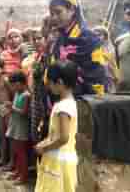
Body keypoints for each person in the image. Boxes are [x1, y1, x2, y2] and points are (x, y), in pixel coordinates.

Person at [49, 0, 107, 95]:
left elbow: (97, 73)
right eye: (52, 14)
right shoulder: (60, 39)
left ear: (72, 10)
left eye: (58, 12)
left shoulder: (88, 38)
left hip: (86, 99)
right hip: (62, 97)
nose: (54, 17)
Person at [34, 60, 78, 192]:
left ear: (60, 83)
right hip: (62, 157)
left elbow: (64, 138)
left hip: (58, 159)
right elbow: (57, 134)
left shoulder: (63, 107)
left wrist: (44, 148)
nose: (49, 87)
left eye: (50, 83)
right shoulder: (70, 103)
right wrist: (44, 142)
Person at [5, 71, 30, 185]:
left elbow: (24, 112)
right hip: (15, 125)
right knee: (16, 150)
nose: (13, 87)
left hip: (21, 127)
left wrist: (12, 107)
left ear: (20, 83)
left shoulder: (26, 95)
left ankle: (23, 176)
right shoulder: (17, 93)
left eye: (14, 85)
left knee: (21, 152)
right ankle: (17, 171)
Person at [92, 26, 119, 93]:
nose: (97, 37)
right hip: (94, 79)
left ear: (105, 36)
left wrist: (116, 77)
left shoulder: (110, 48)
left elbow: (112, 65)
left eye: (99, 35)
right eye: (94, 35)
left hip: (108, 79)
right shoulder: (91, 46)